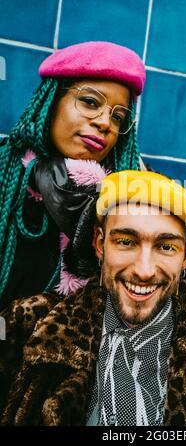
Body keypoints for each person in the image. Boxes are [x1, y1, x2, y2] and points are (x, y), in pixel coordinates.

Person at [0, 171, 186, 426]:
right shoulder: (22, 325)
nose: (144, 270)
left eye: (166, 247)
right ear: (99, 243)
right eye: (126, 242)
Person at [0, 41, 146, 309]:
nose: (104, 123)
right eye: (90, 102)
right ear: (53, 101)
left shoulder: (124, 204)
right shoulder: (4, 175)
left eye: (118, 118)